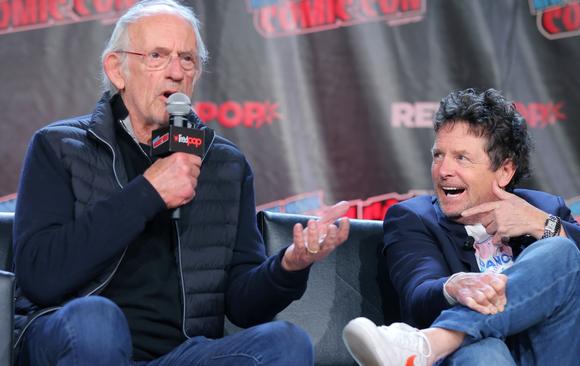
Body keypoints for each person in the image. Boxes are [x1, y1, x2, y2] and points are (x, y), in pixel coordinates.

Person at [12, 1, 350, 365]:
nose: (176, 72)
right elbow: (39, 277)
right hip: (75, 339)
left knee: (285, 342)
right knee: (97, 320)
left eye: (187, 59)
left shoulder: (223, 163)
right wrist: (147, 193)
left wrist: (289, 266)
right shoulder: (60, 145)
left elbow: (242, 305)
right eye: (157, 55)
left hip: (180, 356)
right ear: (117, 69)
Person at [342, 88, 580, 365]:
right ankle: (447, 340)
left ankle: (430, 343)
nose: (444, 171)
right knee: (483, 351)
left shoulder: (544, 209)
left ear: (505, 170)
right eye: (438, 155)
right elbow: (417, 294)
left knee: (559, 248)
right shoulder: (413, 218)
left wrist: (540, 224)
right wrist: (451, 286)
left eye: (461, 158)